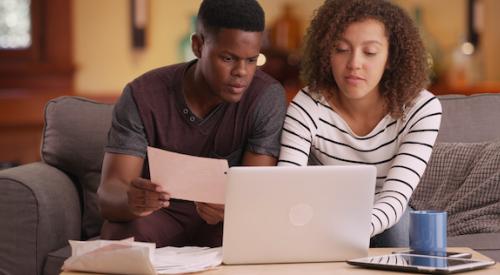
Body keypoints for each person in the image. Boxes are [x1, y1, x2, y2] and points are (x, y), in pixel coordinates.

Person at [98, 0, 286, 248]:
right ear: (198, 45)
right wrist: (131, 201)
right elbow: (109, 193)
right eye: (228, 58)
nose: (242, 72)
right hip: (158, 218)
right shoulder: (142, 95)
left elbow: (256, 197)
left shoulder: (265, 97)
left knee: (255, 238)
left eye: (252, 60)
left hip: (222, 226)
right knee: (118, 234)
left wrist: (234, 208)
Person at [278, 0, 442, 247]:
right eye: (341, 49)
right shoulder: (308, 104)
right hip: (326, 216)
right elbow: (285, 185)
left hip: (388, 220)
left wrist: (346, 232)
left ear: (390, 57)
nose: (354, 63)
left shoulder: (422, 108)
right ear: (326, 53)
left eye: (370, 52)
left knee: (396, 226)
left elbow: (395, 199)